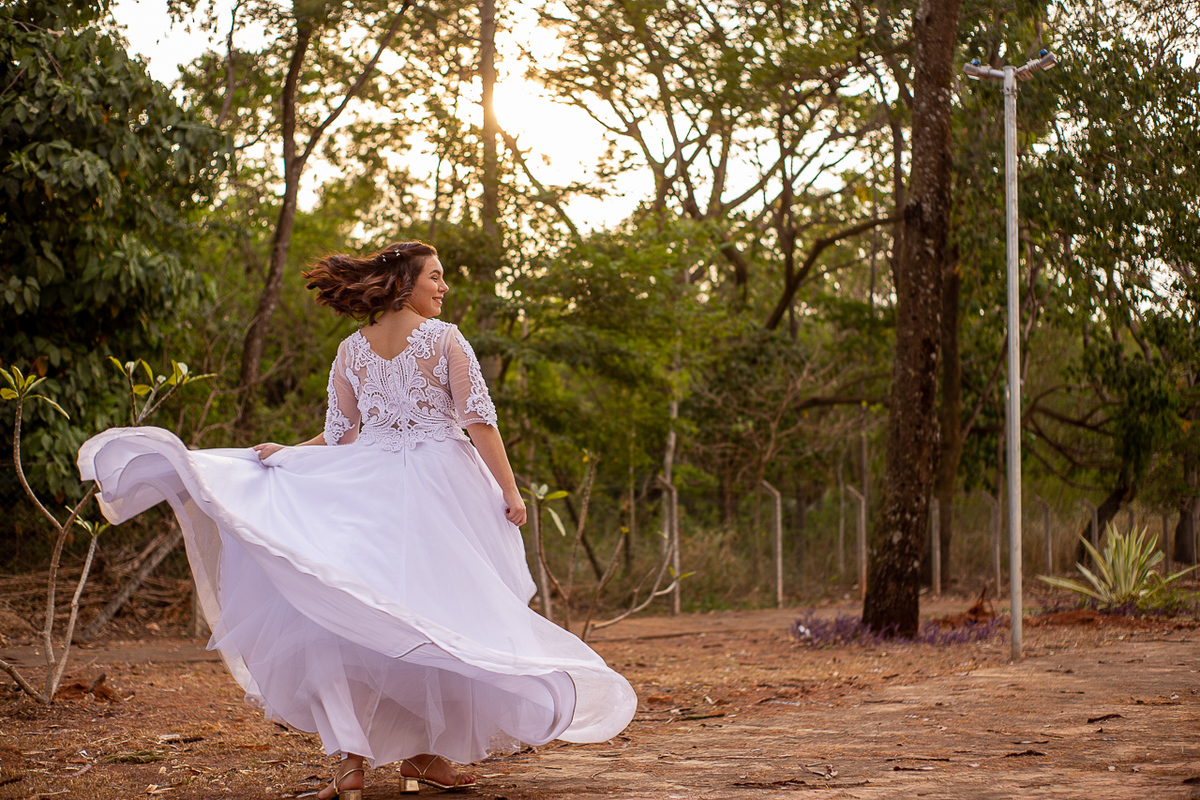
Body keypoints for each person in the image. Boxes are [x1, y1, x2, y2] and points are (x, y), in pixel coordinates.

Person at [78, 241, 637, 799]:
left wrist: (298, 452)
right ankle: (415, 755)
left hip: (366, 483)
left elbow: (342, 436)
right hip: (439, 488)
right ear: (404, 284)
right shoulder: (446, 340)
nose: (443, 288)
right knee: (431, 612)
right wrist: (511, 492)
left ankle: (369, 762)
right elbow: (477, 422)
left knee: (365, 612)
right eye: (435, 278)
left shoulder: (352, 349)